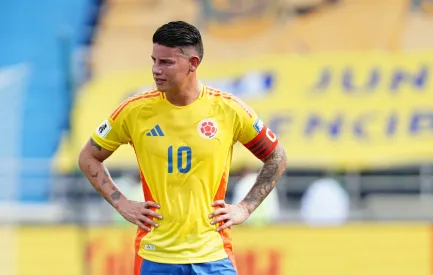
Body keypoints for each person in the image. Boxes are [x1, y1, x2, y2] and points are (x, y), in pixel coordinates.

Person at [78, 21, 287, 275]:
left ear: (193, 63)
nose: (156, 70)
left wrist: (245, 207)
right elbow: (88, 157)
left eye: (166, 62)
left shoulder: (228, 110)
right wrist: (122, 204)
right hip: (155, 255)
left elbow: (277, 156)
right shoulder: (134, 111)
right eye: (154, 60)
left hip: (214, 255)